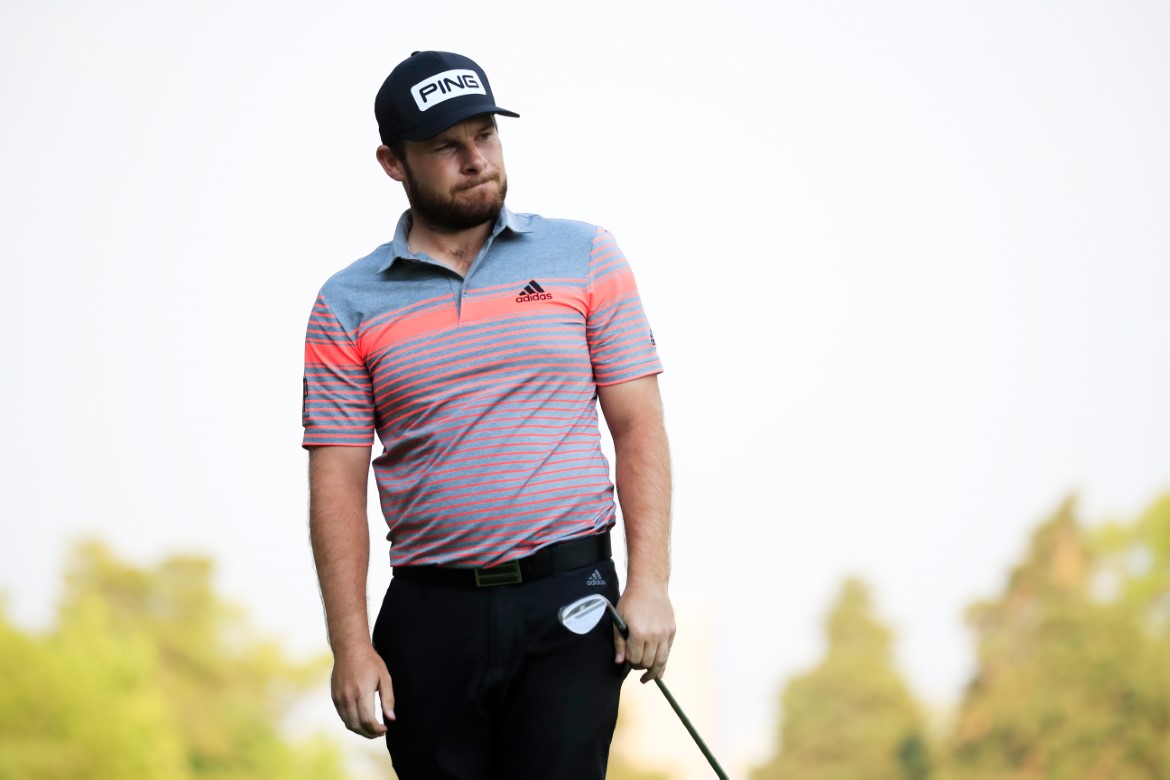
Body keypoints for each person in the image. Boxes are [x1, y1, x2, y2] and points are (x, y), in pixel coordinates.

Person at [302, 50, 674, 779]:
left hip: (570, 602)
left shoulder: (586, 255)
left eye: (485, 135)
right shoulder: (345, 303)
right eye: (446, 146)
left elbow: (640, 427)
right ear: (392, 162)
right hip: (428, 617)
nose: (476, 160)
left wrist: (650, 582)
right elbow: (335, 485)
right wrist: (350, 644)